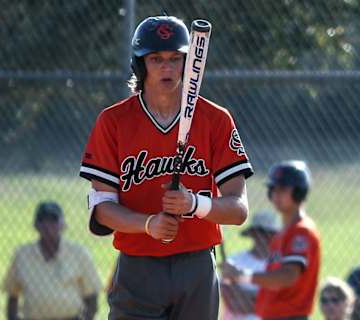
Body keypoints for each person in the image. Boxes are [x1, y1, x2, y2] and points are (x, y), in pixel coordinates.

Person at [79, 15, 254, 320]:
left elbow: (238, 209)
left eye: (176, 58)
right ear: (139, 64)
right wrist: (148, 224)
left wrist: (194, 204)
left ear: (189, 64)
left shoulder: (215, 119)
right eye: (156, 58)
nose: (167, 67)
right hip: (139, 266)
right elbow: (103, 209)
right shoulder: (114, 121)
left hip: (197, 265)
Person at [222, 160, 321, 320]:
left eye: (282, 189)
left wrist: (242, 275)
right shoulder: (282, 235)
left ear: (299, 192)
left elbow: (288, 276)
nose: (276, 195)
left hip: (289, 316)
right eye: (272, 189)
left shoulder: (301, 231)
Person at [2, 202, 102, 320]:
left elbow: (92, 298)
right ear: (36, 225)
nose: (48, 226)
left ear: (62, 225)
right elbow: (12, 296)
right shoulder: (22, 255)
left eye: (53, 220)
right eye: (43, 220)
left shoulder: (79, 254)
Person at [221, 211, 280, 320]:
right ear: (252, 233)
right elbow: (233, 304)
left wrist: (240, 292)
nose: (263, 237)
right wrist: (260, 296)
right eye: (259, 231)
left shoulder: (280, 266)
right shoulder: (234, 261)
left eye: (268, 233)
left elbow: (277, 303)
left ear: (275, 235)